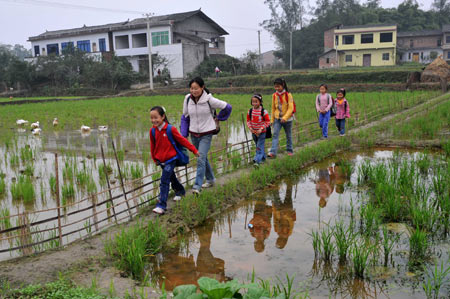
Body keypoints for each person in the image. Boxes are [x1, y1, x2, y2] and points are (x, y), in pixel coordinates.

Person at [180, 77, 232, 195]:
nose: (194, 91)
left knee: (200, 157)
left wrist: (219, 118)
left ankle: (197, 186)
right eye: (192, 88)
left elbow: (227, 107)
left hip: (206, 133)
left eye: (196, 88)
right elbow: (185, 117)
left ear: (202, 87)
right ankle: (211, 179)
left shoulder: (209, 99)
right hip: (194, 133)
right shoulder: (187, 99)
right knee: (203, 157)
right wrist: (184, 135)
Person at [149, 106, 199, 215]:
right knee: (171, 177)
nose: (153, 120)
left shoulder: (170, 129)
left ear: (162, 116)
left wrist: (194, 150)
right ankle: (180, 191)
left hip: (171, 159)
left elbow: (182, 140)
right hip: (161, 160)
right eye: (151, 118)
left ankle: (161, 205)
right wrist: (155, 159)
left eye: (156, 117)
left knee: (164, 181)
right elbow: (152, 146)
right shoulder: (152, 131)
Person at [268, 78, 295, 158]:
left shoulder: (288, 95)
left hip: (288, 119)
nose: (277, 88)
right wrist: (272, 120)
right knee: (275, 135)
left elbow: (291, 108)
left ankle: (289, 150)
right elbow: (273, 108)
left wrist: (285, 117)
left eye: (278, 86)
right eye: (275, 87)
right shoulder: (274, 95)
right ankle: (273, 153)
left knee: (288, 135)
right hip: (277, 119)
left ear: (283, 85)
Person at [247, 94, 271, 166]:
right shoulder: (250, 111)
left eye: (256, 102)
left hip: (262, 132)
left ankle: (256, 161)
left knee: (259, 146)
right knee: (258, 145)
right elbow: (248, 121)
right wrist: (251, 128)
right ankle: (263, 158)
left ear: (260, 102)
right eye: (253, 102)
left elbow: (267, 122)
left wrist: (261, 129)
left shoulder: (264, 111)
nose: (254, 103)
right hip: (254, 132)